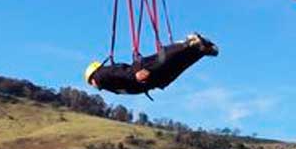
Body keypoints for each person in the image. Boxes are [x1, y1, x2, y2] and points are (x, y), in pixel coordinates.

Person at [84, 33, 218, 96]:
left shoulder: (101, 76)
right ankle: (198, 50)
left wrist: (135, 77)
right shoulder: (107, 85)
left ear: (93, 76)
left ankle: (190, 44)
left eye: (91, 82)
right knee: (173, 66)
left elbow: (118, 73)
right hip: (147, 82)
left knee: (163, 60)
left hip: (140, 75)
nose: (93, 86)